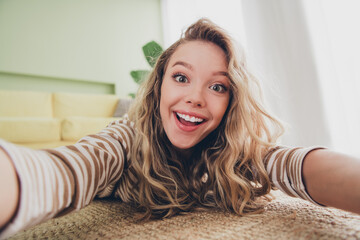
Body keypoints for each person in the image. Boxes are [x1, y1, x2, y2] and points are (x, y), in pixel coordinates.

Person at [0, 18, 359, 239]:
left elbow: (298, 166)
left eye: (217, 86)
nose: (195, 97)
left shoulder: (232, 148)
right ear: (160, 86)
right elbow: (64, 171)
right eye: (181, 77)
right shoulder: (123, 139)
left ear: (231, 101)